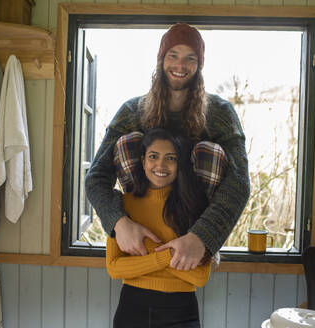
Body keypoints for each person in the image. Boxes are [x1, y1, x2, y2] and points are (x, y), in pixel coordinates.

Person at [86, 22, 250, 270]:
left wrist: (203, 237)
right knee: (128, 143)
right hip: (143, 221)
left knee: (210, 153)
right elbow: (96, 176)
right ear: (161, 60)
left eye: (190, 58)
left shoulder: (221, 112)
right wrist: (119, 223)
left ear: (199, 65)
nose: (180, 65)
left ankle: (191, 245)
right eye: (173, 55)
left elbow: (239, 183)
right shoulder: (131, 111)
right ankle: (142, 234)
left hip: (193, 225)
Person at [107, 128, 211, 327]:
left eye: (170, 158)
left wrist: (144, 258)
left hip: (182, 311)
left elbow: (200, 276)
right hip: (132, 308)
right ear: (144, 161)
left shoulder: (196, 207)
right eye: (153, 156)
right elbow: (114, 267)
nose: (160, 165)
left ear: (180, 164)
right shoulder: (122, 205)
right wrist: (169, 254)